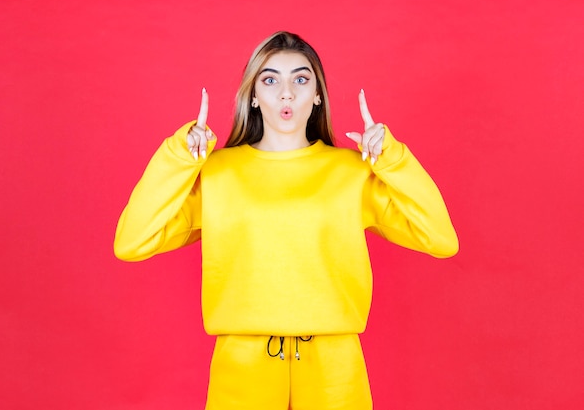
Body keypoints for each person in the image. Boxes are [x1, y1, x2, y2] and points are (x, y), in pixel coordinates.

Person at [114, 31, 458, 410]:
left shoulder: (352, 172)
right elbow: (132, 242)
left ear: (318, 95)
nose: (286, 93)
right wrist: (178, 157)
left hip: (334, 364)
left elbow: (441, 239)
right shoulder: (216, 174)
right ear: (254, 96)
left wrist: (394, 160)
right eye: (270, 79)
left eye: (300, 78)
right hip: (242, 362)